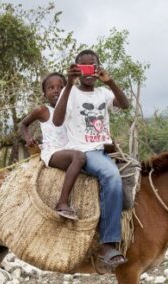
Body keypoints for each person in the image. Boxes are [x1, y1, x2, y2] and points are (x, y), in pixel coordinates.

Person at [52, 49, 131, 269]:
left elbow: (125, 105)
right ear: (77, 70)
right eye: (84, 67)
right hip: (85, 151)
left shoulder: (104, 94)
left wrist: (111, 81)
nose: (89, 72)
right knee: (111, 175)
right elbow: (57, 121)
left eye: (93, 67)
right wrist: (68, 84)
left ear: (98, 69)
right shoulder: (71, 93)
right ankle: (108, 245)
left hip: (106, 149)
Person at [19, 72, 86, 221]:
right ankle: (62, 203)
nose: (56, 90)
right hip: (53, 152)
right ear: (45, 94)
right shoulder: (43, 110)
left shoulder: (73, 110)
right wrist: (28, 138)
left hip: (70, 148)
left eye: (61, 87)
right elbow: (23, 124)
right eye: (51, 88)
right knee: (79, 157)